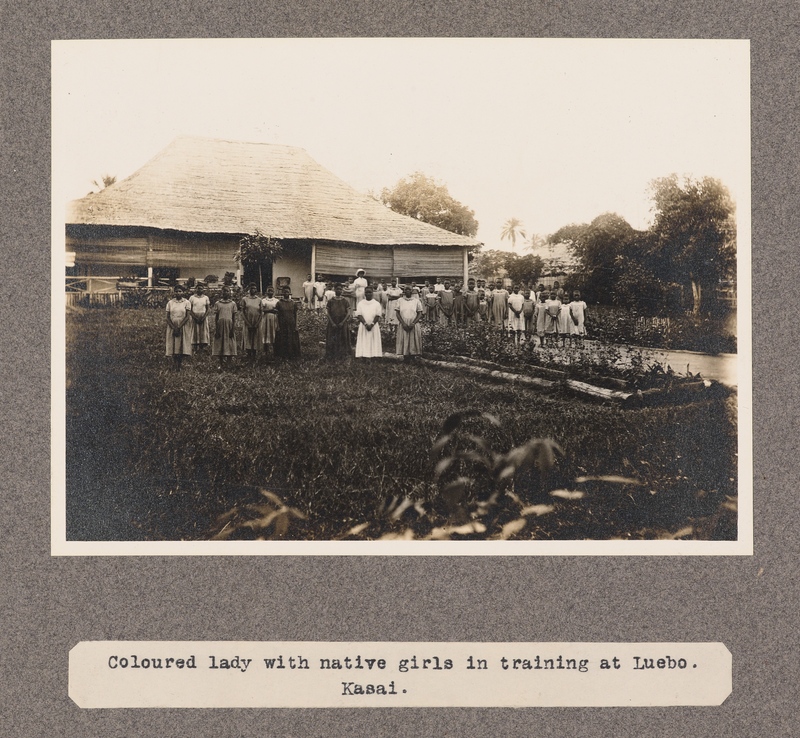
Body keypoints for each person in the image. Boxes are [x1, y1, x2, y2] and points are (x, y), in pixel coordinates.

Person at [165, 285, 193, 370]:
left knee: (181, 345)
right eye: (176, 291)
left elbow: (187, 316)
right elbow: (167, 317)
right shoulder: (170, 303)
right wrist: (174, 327)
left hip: (183, 326)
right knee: (173, 344)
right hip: (172, 326)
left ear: (183, 292)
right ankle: (174, 363)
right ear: (174, 292)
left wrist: (179, 327)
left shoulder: (187, 302)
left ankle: (179, 365)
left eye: (180, 291)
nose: (178, 293)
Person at [212, 286, 238, 369]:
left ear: (230, 293)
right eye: (224, 291)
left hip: (229, 325)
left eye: (227, 291)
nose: (225, 293)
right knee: (220, 343)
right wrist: (217, 329)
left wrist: (232, 329)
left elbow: (234, 317)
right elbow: (216, 317)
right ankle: (220, 363)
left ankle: (229, 363)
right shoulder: (218, 303)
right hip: (220, 325)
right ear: (221, 293)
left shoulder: (232, 304)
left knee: (229, 344)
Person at [354, 285, 382, 359]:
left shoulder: (376, 303)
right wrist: (365, 324)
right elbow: (359, 314)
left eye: (370, 292)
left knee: (373, 340)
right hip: (364, 325)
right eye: (367, 292)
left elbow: (378, 315)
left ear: (372, 293)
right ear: (364, 293)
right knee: (364, 340)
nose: (368, 294)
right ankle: (364, 356)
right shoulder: (361, 303)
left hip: (373, 325)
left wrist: (372, 324)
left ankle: (374, 356)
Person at [396, 285, 423, 360]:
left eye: (409, 289)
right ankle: (405, 356)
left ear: (412, 291)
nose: (408, 291)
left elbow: (419, 313)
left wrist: (413, 323)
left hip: (413, 324)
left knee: (413, 339)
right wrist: (403, 323)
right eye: (406, 289)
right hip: (403, 323)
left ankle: (413, 356)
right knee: (404, 338)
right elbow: (397, 313)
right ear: (404, 291)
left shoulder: (416, 301)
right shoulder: (400, 300)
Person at [325, 283, 352, 359]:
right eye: (337, 289)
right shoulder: (331, 301)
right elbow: (327, 312)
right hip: (333, 322)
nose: (339, 290)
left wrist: (343, 322)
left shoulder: (345, 301)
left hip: (342, 323)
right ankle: (332, 355)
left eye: (340, 289)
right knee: (332, 338)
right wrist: (332, 322)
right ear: (334, 289)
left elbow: (348, 313)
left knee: (343, 338)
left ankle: (343, 355)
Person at [274, 287, 301, 360]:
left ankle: (291, 355)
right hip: (282, 324)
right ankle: (282, 355)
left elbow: (295, 314)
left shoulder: (293, 303)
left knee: (291, 339)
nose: (286, 293)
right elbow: (277, 315)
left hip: (291, 324)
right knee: (283, 339)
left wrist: (296, 325)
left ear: (289, 293)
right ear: (283, 293)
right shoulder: (279, 303)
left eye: (287, 292)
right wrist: (277, 325)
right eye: (285, 292)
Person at [240, 283, 263, 362]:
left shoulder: (259, 300)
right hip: (248, 321)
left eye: (255, 288)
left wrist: (257, 323)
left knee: (256, 336)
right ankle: (248, 354)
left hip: (256, 321)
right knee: (248, 336)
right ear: (249, 289)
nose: (253, 290)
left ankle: (254, 354)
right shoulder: (245, 299)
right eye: (252, 288)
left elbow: (261, 312)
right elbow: (242, 312)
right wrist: (247, 323)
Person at [188, 283, 211, 352]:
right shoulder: (192, 298)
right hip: (194, 318)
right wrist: (195, 317)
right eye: (198, 288)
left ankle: (202, 348)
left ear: (203, 289)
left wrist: (204, 317)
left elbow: (208, 309)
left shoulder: (205, 298)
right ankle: (195, 348)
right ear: (195, 289)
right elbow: (189, 309)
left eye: (201, 288)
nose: (200, 290)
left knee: (203, 332)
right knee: (195, 331)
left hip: (203, 317)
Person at [260, 286, 279, 360]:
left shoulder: (276, 301)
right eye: (269, 291)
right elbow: (262, 310)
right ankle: (266, 351)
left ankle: (275, 351)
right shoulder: (263, 300)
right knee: (266, 333)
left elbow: (277, 310)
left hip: (274, 318)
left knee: (273, 332)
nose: (270, 292)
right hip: (266, 318)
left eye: (271, 291)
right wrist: (271, 310)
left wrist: (270, 310)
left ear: (273, 292)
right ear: (266, 292)